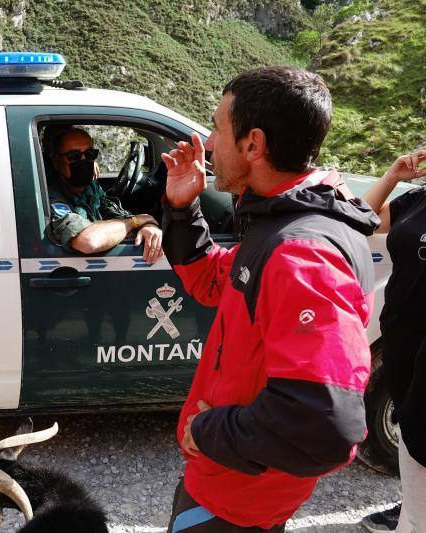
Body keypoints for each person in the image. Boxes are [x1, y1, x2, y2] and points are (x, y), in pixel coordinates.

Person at [161, 67, 380, 531]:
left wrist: (209, 431)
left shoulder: (301, 255)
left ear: (253, 145)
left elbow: (325, 423)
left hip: (235, 503)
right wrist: (182, 210)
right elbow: (212, 281)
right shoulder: (281, 219)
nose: (209, 142)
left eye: (218, 127)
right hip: (228, 485)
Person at [359, 148, 426, 533]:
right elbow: (357, 221)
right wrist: (392, 177)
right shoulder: (417, 201)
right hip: (400, 342)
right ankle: (410, 505)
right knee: (408, 428)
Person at [46, 127, 163, 264]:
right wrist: (134, 222)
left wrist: (148, 225)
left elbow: (115, 213)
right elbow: (89, 242)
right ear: (56, 161)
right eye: (74, 156)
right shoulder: (52, 196)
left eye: (90, 154)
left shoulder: (90, 186)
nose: (84, 161)